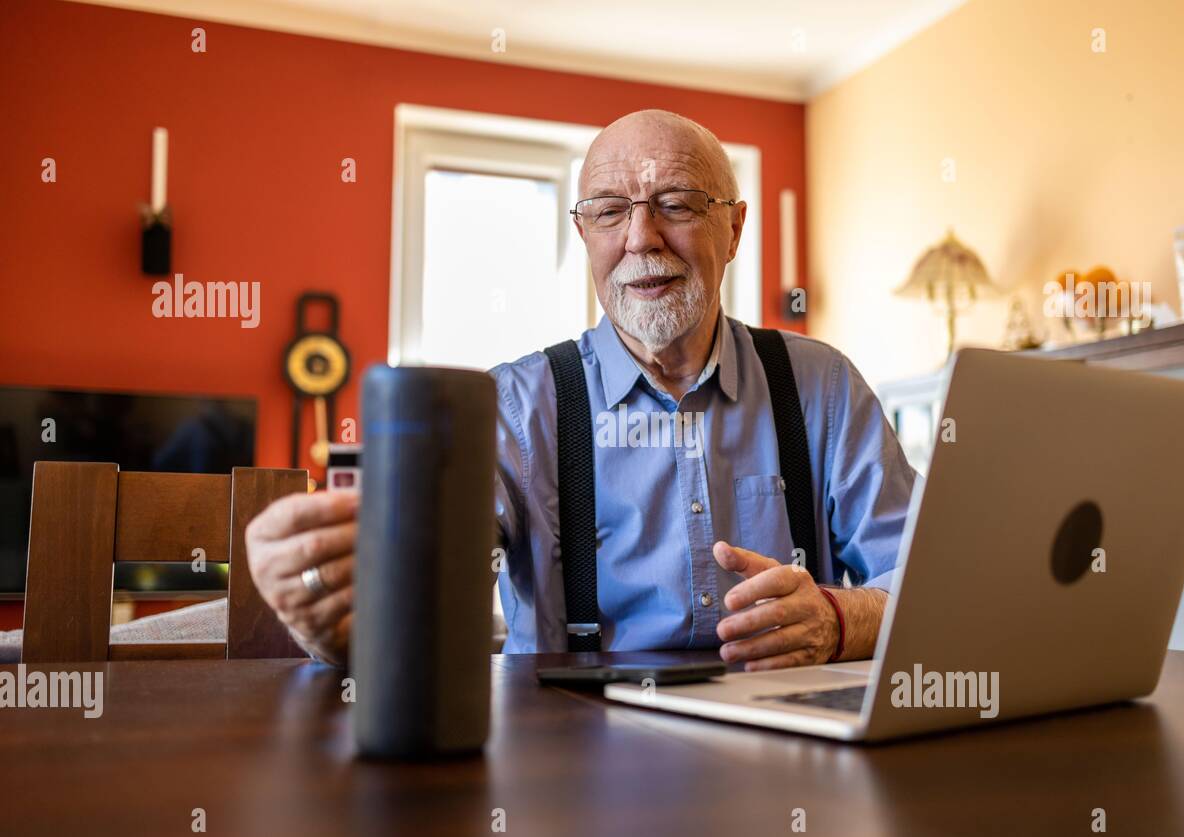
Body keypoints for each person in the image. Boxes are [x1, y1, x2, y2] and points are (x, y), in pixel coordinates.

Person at [245, 109, 916, 670]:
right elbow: (422, 603)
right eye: (607, 212)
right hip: (569, 752)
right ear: (583, 233)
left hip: (791, 749)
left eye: (676, 205)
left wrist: (836, 617)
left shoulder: (821, 385)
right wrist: (334, 616)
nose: (640, 238)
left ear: (734, 229)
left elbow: (929, 585)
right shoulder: (512, 406)